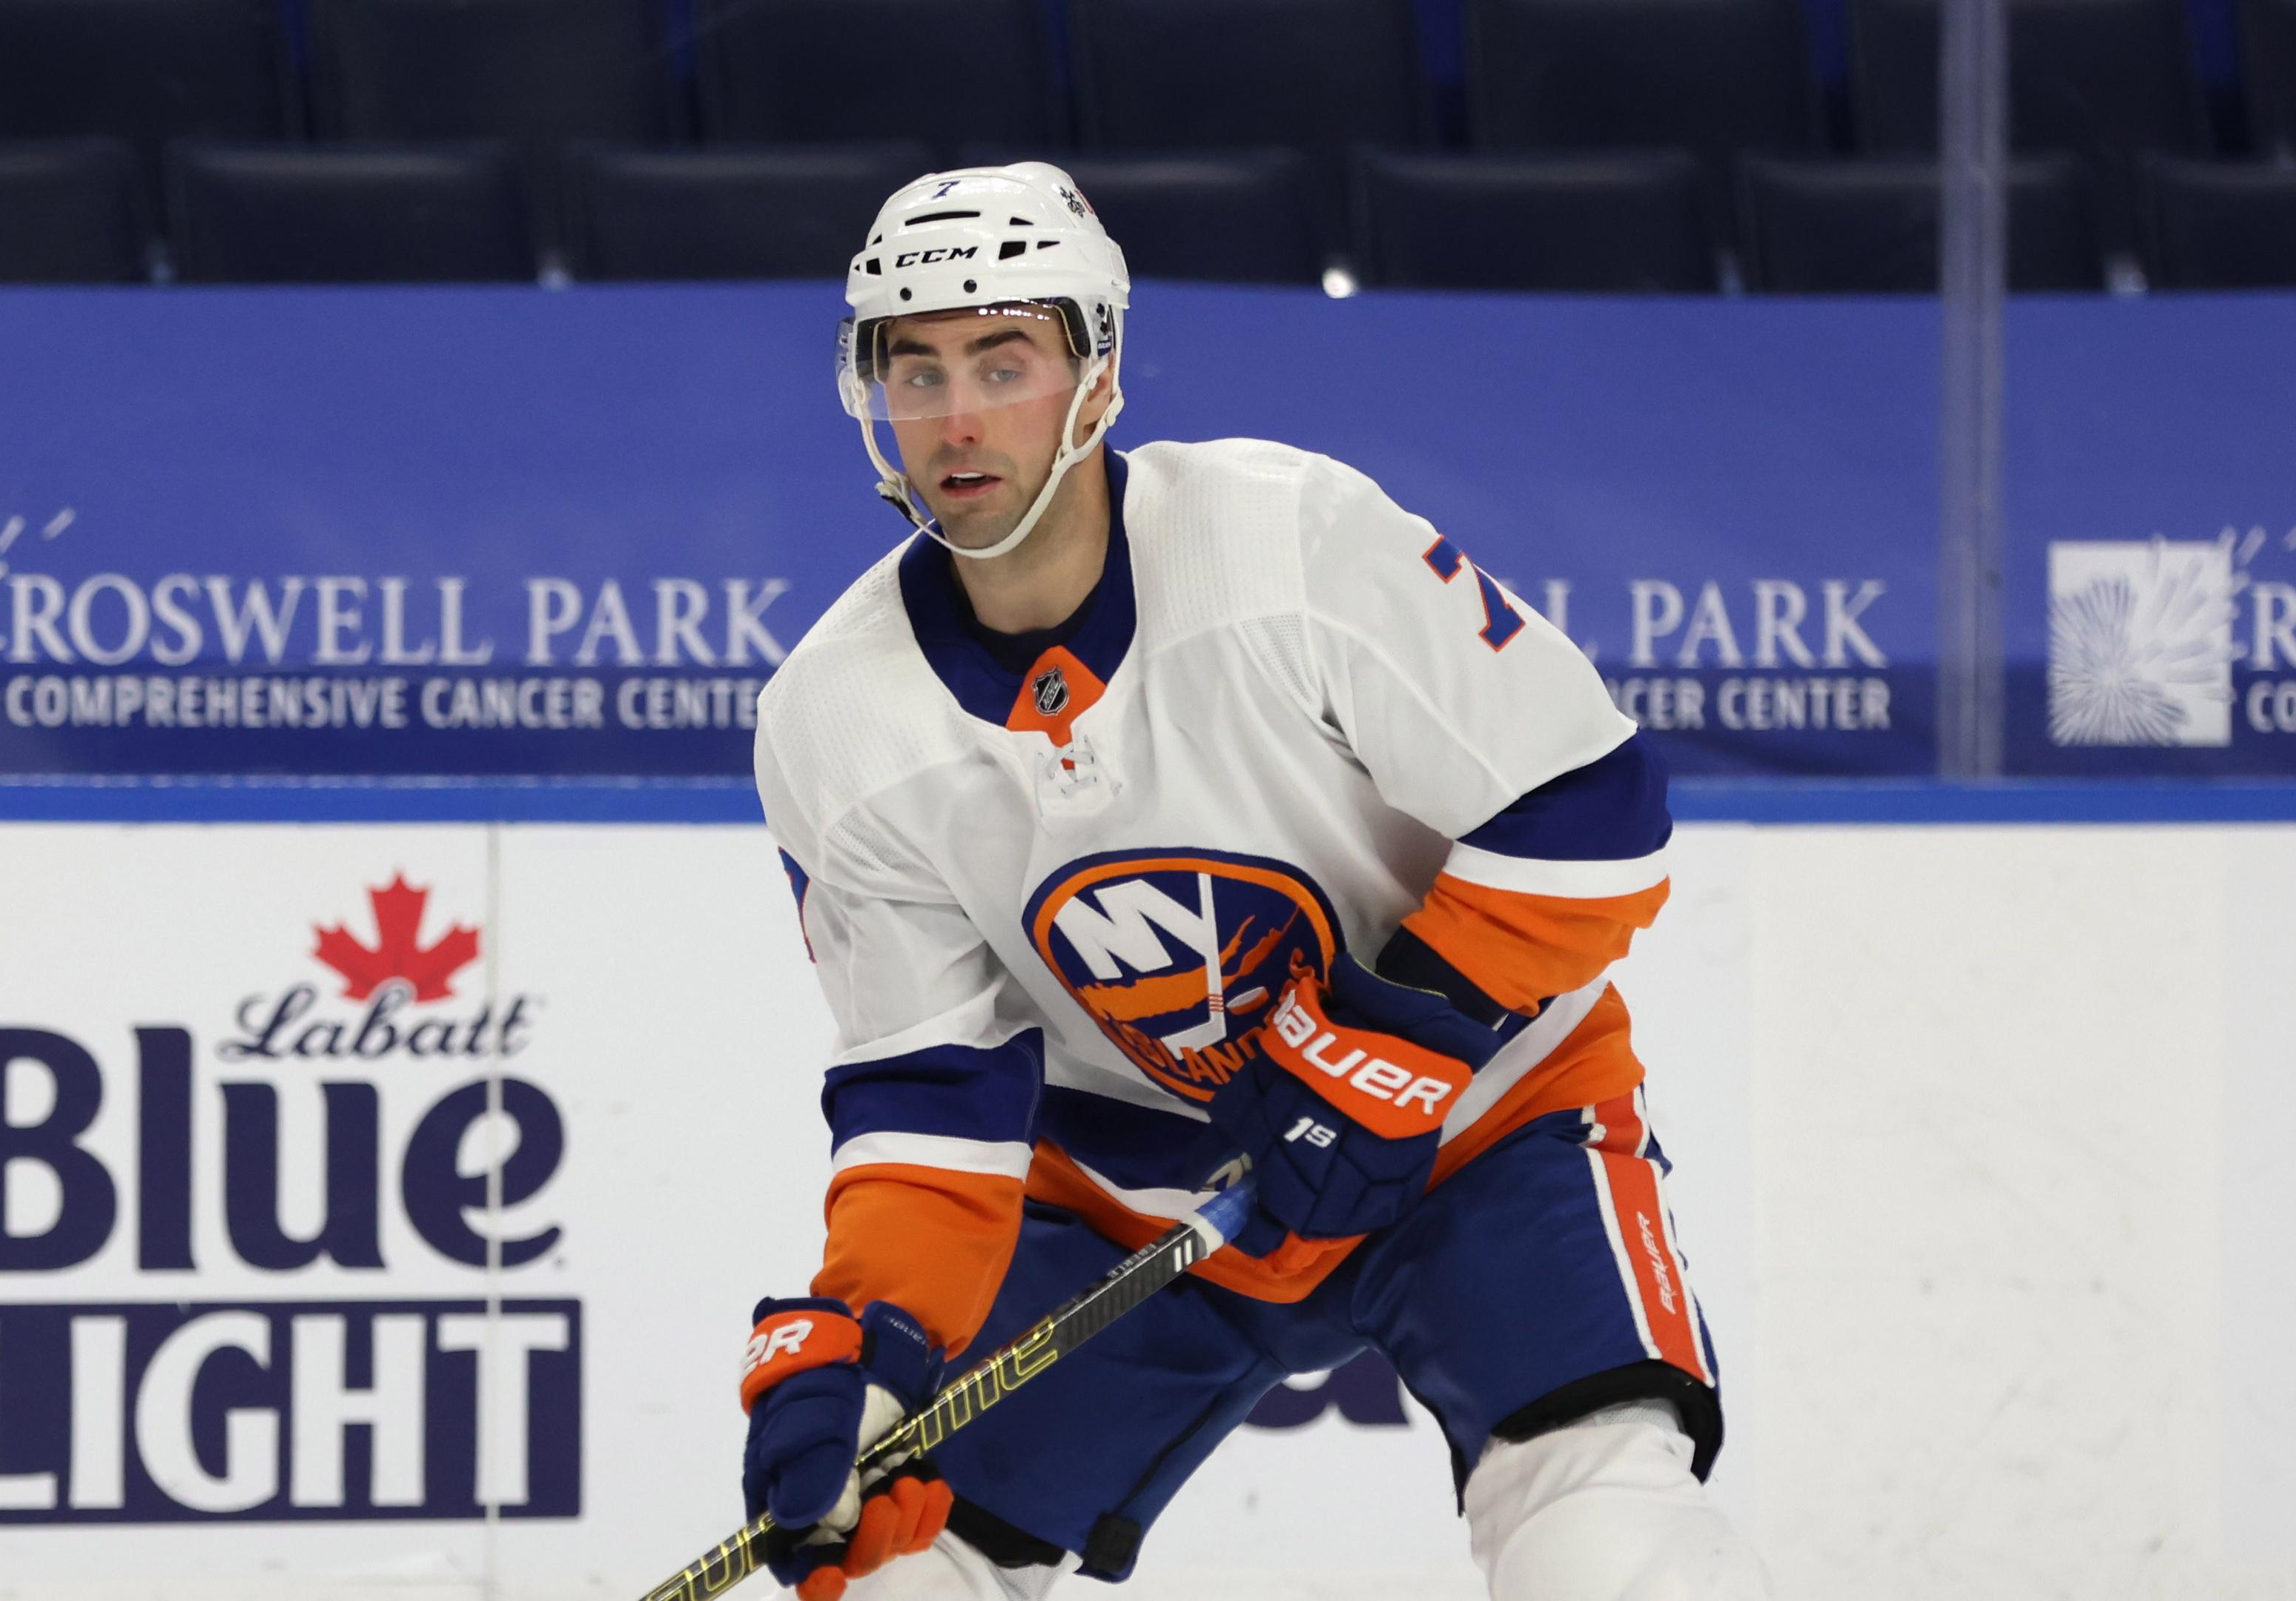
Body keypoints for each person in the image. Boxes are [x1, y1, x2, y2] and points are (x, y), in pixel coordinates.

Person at [735, 162, 1767, 1601]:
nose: (958, 418)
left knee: (1605, 1524)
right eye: (917, 370)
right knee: (907, 1571)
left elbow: (1593, 807)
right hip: (1142, 1201)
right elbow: (931, 1102)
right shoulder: (832, 721)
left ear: (1095, 377)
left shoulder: (1285, 542)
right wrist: (870, 1349)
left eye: (1003, 360)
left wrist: (1383, 1045)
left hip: (1478, 1120)